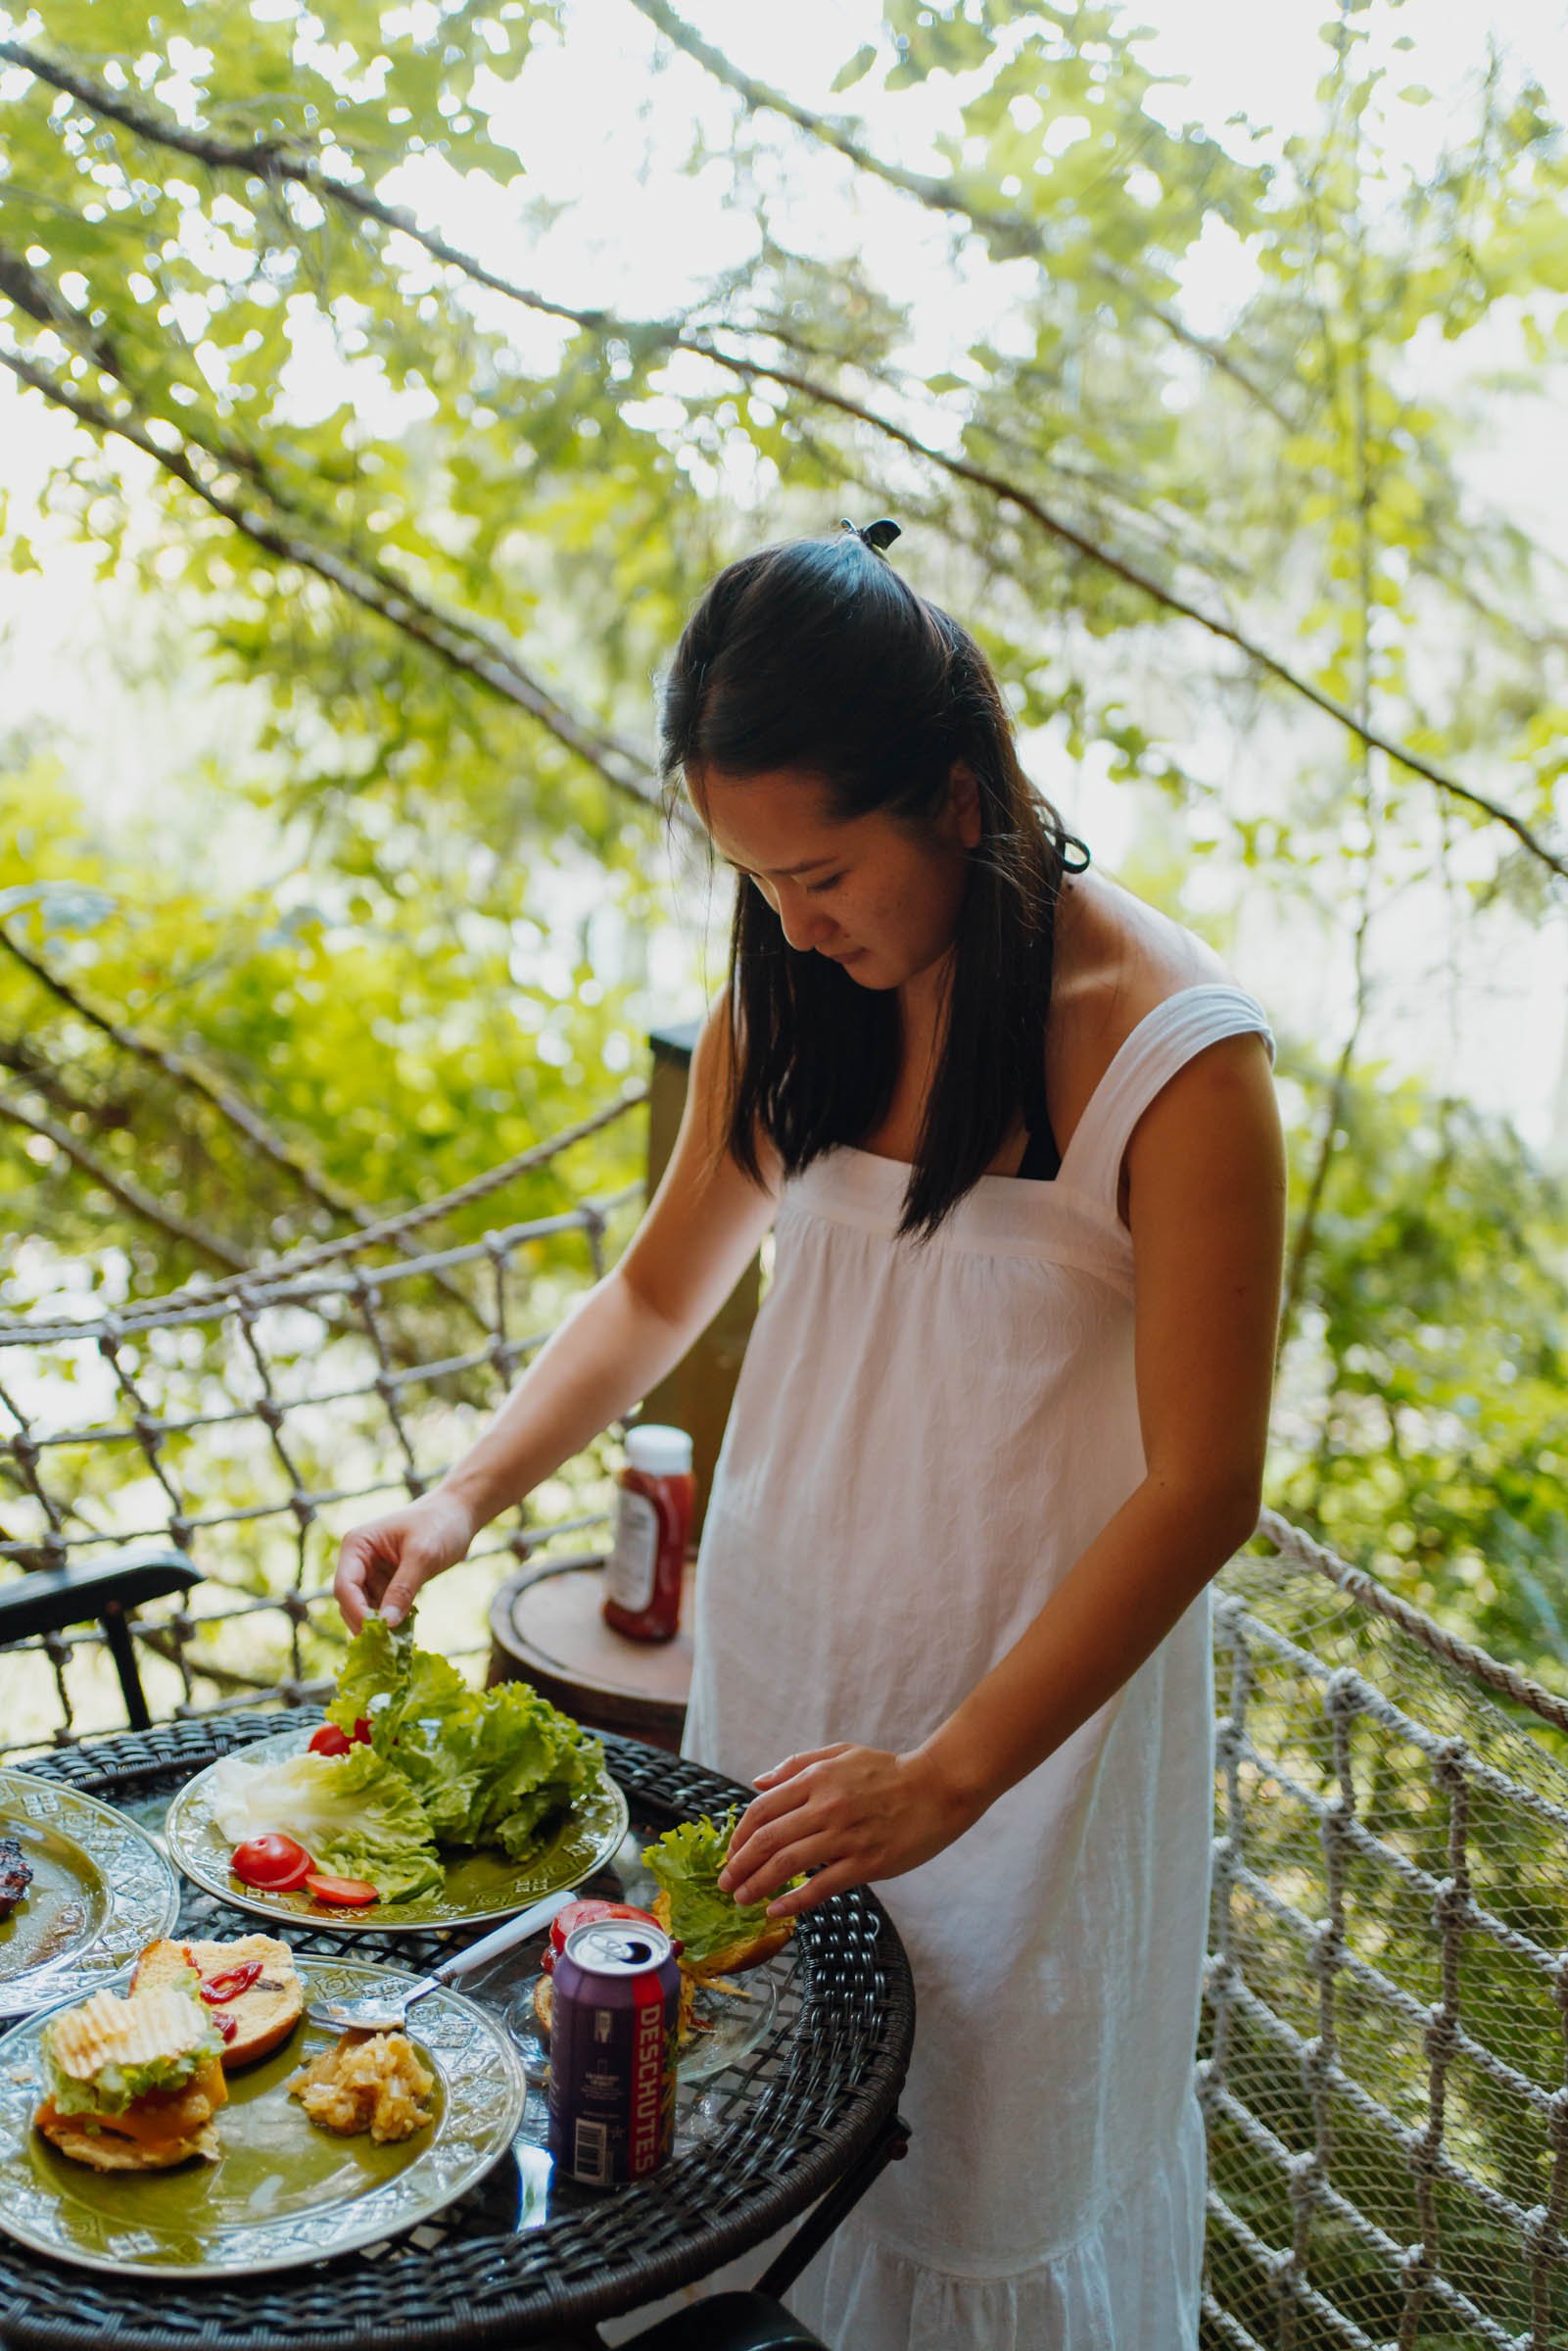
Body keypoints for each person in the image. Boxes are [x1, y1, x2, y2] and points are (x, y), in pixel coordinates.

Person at [336, 520, 1287, 2351]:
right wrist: (459, 1501)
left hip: (1022, 1751)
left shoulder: (1173, 1057)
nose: (791, 919)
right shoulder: (790, 998)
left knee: (974, 2194)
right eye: (753, 876)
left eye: (824, 869)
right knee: (747, 2170)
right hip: (781, 1698)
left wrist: (949, 1774)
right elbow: (651, 1294)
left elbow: (1205, 1486)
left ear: (956, 792)